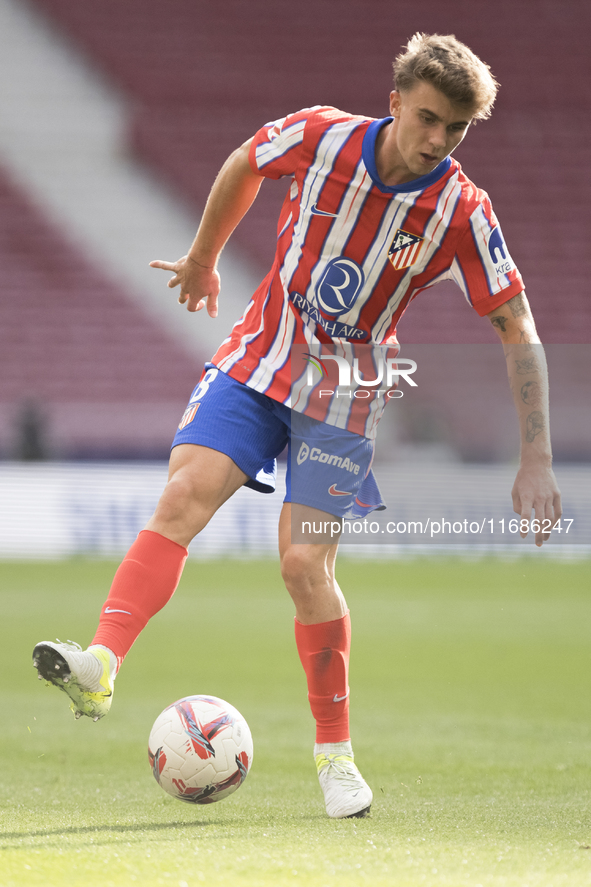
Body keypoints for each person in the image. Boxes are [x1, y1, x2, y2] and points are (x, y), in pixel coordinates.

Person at [33, 33, 561, 819]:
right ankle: (101, 662)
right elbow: (247, 160)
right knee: (182, 498)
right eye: (426, 119)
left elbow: (516, 325)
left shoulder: (460, 209)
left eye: (454, 129)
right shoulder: (319, 135)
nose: (437, 141)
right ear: (394, 103)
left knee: (302, 564)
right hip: (258, 361)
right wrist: (204, 256)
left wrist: (535, 458)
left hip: (343, 398)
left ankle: (335, 756)